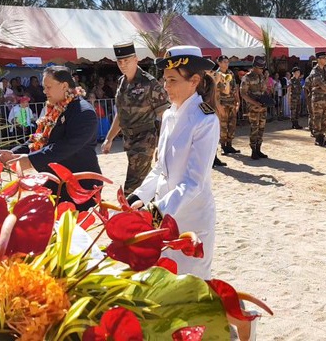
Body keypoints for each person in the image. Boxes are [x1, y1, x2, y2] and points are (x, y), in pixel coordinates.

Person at [126, 45, 220, 279]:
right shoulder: (169, 114)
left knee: (192, 289)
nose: (165, 86)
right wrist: (139, 195)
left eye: (172, 80)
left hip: (191, 223)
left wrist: (156, 212)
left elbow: (194, 183)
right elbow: (161, 167)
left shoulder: (205, 120)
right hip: (164, 218)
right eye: (165, 80)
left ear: (194, 81)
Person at [0, 66, 102, 212]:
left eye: (48, 87)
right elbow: (38, 140)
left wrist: (29, 160)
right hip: (54, 184)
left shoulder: (84, 112)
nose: (44, 91)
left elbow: (65, 147)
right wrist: (11, 154)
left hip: (79, 187)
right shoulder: (54, 109)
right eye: (44, 87)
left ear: (64, 85)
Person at [101, 42, 169, 195]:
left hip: (146, 139)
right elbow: (121, 112)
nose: (123, 65)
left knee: (132, 186)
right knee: (144, 180)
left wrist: (162, 144)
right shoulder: (121, 82)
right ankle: (155, 208)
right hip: (129, 139)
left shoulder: (149, 82)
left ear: (136, 59)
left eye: (127, 60)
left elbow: (165, 115)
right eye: (120, 61)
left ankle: (131, 214)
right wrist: (109, 138)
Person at [240, 57, 269, 160]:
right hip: (253, 108)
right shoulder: (247, 78)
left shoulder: (261, 77)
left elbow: (264, 91)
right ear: (254, 67)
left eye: (262, 68)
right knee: (254, 129)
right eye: (259, 68)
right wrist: (254, 103)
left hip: (262, 108)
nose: (261, 70)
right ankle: (253, 150)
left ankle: (258, 149)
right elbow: (243, 94)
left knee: (261, 128)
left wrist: (267, 100)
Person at [307, 51, 326, 146]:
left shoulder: (325, 70)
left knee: (325, 118)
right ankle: (318, 138)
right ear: (319, 60)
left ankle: (322, 137)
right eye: (324, 58)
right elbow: (320, 84)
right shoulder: (315, 71)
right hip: (318, 99)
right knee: (318, 118)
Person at [214, 55, 241, 155]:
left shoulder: (230, 73)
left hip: (231, 103)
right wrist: (218, 106)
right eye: (224, 62)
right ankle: (223, 146)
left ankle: (229, 144)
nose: (226, 64)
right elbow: (215, 92)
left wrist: (237, 101)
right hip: (222, 104)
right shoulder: (217, 74)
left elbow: (235, 88)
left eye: (227, 62)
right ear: (219, 63)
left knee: (232, 124)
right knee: (223, 125)